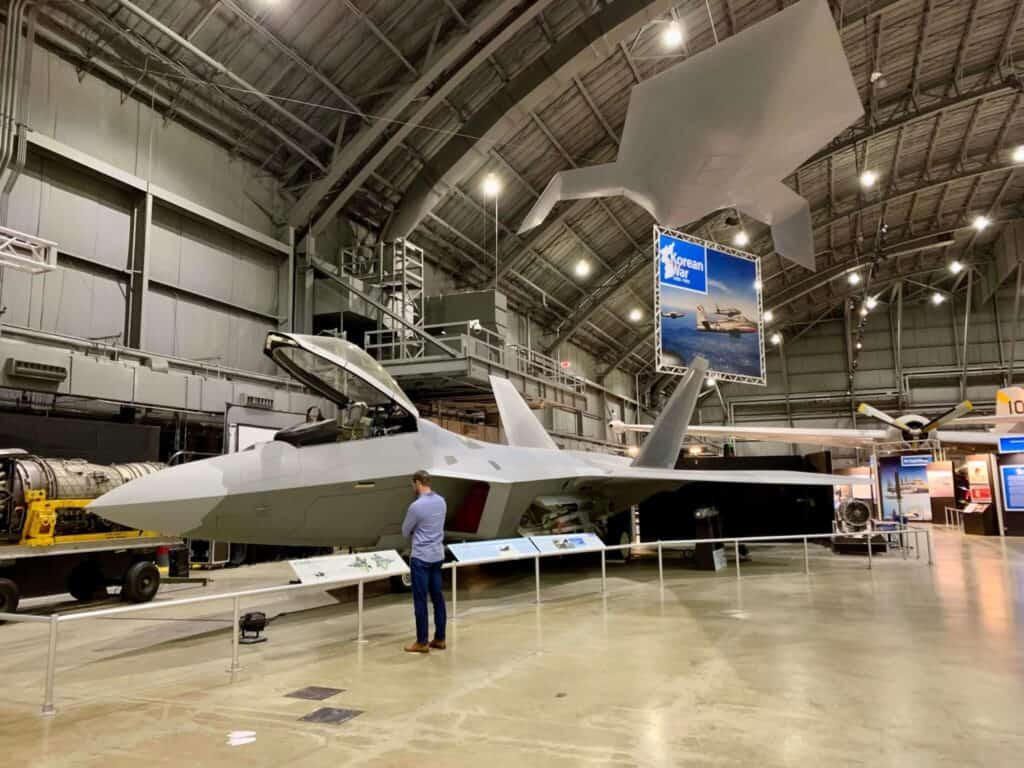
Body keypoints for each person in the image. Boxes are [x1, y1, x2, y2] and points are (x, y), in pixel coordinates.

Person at [401, 470, 447, 653]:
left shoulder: (416, 506)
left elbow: (405, 531)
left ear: (418, 483)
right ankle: (440, 638)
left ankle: (422, 642)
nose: (412, 488)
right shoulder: (442, 501)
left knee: (420, 601)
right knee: (438, 598)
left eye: (413, 484)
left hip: (420, 558)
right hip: (437, 556)